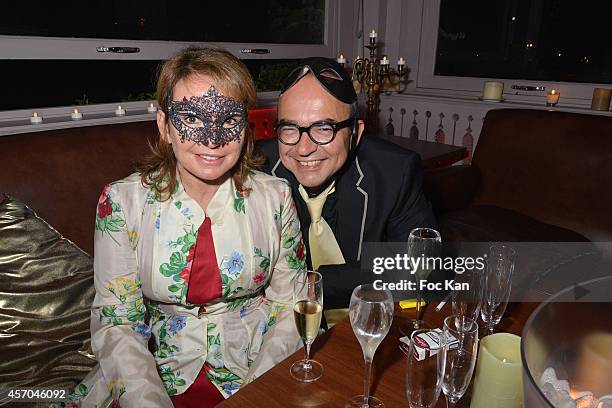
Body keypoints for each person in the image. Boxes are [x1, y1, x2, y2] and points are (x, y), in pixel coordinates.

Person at [59, 47, 305, 408]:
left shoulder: (276, 197)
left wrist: (259, 396)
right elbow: (118, 324)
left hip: (257, 364)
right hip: (152, 370)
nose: (212, 139)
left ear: (246, 126)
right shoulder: (122, 203)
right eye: (191, 118)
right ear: (164, 126)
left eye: (227, 120)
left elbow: (292, 305)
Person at [258, 57, 436, 311]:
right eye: (289, 128)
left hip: (364, 320)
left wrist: (311, 284)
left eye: (323, 128)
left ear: (356, 132)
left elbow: (421, 268)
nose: (303, 148)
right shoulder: (258, 170)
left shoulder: (394, 171)